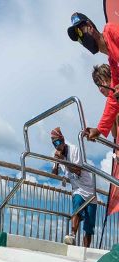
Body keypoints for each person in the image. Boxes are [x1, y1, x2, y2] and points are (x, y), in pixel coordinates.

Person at [67, 12, 119, 140]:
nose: (81, 40)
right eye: (78, 39)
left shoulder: (110, 30)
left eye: (80, 33)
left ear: (90, 26)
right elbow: (113, 98)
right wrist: (99, 129)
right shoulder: (112, 61)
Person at [50, 127, 97, 247]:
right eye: (54, 143)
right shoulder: (56, 154)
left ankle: (85, 250)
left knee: (89, 226)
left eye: (58, 142)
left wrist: (63, 161)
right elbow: (54, 173)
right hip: (77, 189)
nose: (56, 145)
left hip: (89, 189)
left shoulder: (74, 150)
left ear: (63, 140)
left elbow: (78, 171)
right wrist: (56, 163)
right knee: (76, 207)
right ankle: (72, 235)